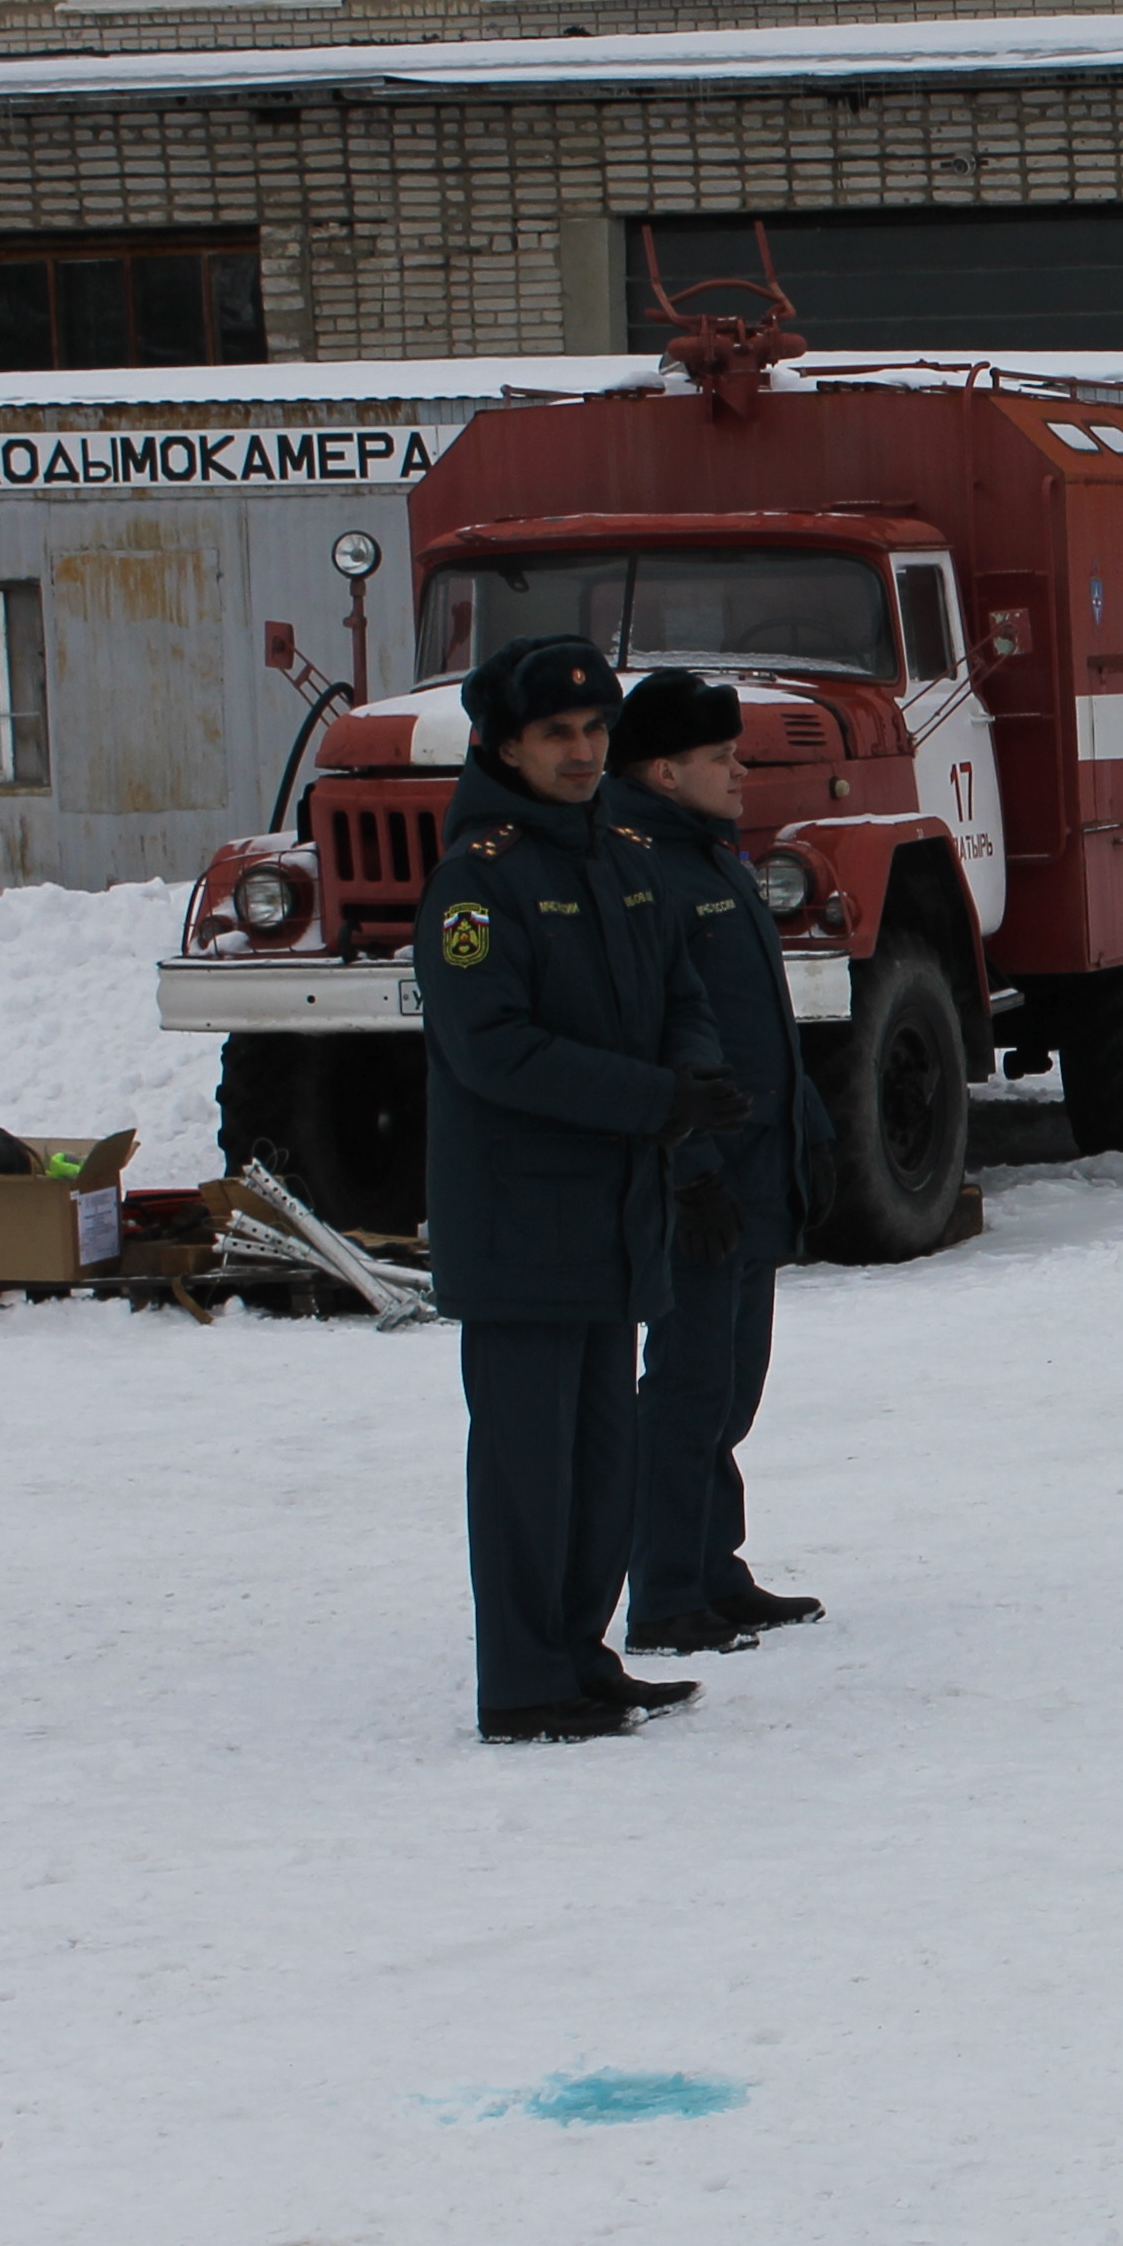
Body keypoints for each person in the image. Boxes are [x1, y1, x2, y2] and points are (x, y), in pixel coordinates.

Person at [415, 633, 751, 1743]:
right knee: (527, 1470)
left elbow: (679, 987)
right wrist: (655, 1098)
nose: (581, 749)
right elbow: (494, 1049)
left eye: (595, 730)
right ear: (504, 744)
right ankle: (521, 1679)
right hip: (523, 1219)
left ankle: (577, 1651)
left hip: (616, 1214)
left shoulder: (621, 850)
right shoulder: (481, 876)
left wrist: (694, 1074)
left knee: (602, 1459)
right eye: (557, 733)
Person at [605, 668, 834, 1657]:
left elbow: (758, 1019)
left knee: (733, 1383)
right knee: (690, 1385)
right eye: (720, 759)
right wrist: (691, 1164)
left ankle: (712, 1566)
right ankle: (662, 1592)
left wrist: (808, 1129)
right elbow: (658, 1033)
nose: (740, 772)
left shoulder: (712, 857)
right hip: (698, 1174)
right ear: (663, 770)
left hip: (755, 1161)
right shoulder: (638, 870)